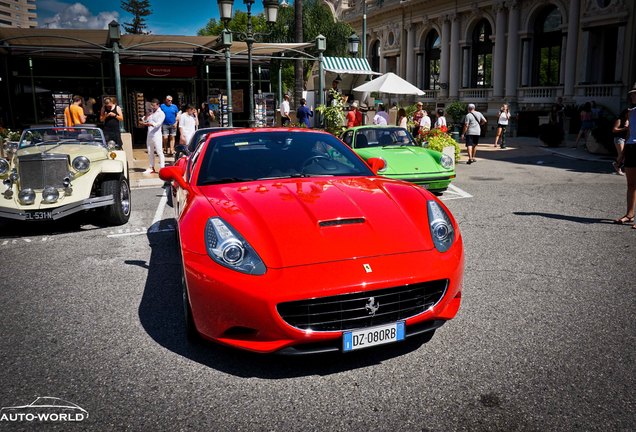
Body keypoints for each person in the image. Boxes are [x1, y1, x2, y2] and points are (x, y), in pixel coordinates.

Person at [613, 86, 636, 228]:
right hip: (631, 148)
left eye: (634, 94)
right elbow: (629, 134)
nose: (632, 96)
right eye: (632, 94)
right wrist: (621, 155)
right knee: (631, 184)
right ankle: (630, 214)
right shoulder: (630, 113)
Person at [142, 98, 165, 175]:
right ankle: (151, 167)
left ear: (158, 105)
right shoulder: (151, 112)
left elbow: (158, 124)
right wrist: (147, 115)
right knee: (150, 151)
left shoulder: (161, 113)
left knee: (159, 152)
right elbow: (144, 120)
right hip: (149, 134)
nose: (153, 107)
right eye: (152, 105)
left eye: (154, 105)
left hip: (157, 135)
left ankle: (162, 168)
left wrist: (150, 124)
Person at [612, 109, 629, 175]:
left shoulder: (629, 120)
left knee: (624, 155)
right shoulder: (619, 120)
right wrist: (624, 129)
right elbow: (614, 129)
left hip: (626, 139)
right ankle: (617, 167)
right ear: (625, 113)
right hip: (619, 138)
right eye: (629, 113)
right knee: (621, 154)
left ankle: (617, 165)